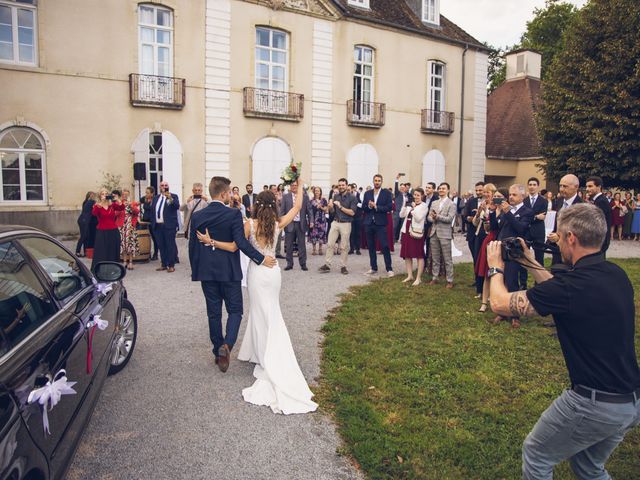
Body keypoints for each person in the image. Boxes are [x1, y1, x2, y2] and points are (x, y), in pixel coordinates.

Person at [486, 203, 640, 480]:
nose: (556, 240)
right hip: (630, 401)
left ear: (571, 238)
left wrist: (496, 269)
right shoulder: (616, 275)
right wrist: (529, 261)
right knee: (589, 468)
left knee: (537, 454)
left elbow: (499, 303)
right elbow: (560, 293)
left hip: (593, 402)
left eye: (558, 235)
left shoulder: (570, 287)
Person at [198, 182, 318, 414]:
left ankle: (262, 354)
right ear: (274, 206)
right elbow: (299, 205)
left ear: (256, 206)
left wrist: (211, 242)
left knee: (258, 311)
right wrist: (300, 184)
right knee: (271, 311)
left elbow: (234, 247)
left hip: (257, 273)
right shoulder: (278, 223)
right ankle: (259, 352)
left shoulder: (249, 225)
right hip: (272, 273)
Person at [189, 176, 276, 373]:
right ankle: (227, 345)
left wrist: (196, 271)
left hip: (207, 273)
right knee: (235, 310)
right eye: (229, 192)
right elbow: (241, 243)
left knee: (214, 313)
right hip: (229, 271)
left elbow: (192, 247)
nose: (231, 195)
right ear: (223, 194)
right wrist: (261, 259)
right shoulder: (233, 214)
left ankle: (216, 351)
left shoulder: (198, 216)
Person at [492, 184, 533, 328]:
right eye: (510, 194)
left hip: (514, 251)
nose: (511, 197)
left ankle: (515, 314)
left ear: (522, 196)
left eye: (514, 195)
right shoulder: (505, 210)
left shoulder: (527, 211)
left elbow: (520, 229)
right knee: (501, 279)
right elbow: (498, 227)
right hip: (502, 248)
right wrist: (496, 213)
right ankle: (503, 311)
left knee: (512, 280)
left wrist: (508, 212)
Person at [474, 188, 506, 313]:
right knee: (488, 273)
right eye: (496, 196)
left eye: (500, 196)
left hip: (501, 241)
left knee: (500, 274)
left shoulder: (507, 211)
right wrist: (491, 212)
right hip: (490, 240)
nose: (497, 198)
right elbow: (491, 227)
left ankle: (498, 300)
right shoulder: (493, 210)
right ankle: (483, 302)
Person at [319, 179, 357, 275]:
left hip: (346, 223)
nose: (341, 187)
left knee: (344, 247)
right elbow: (332, 212)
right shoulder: (335, 196)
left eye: (343, 185)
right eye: (339, 185)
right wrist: (330, 207)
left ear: (347, 185)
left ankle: (343, 266)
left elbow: (352, 212)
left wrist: (340, 207)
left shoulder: (352, 197)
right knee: (330, 244)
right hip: (335, 222)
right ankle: (327, 265)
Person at [362, 174, 394, 277]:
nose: (377, 182)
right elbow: (363, 207)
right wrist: (369, 206)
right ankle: (373, 267)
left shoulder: (387, 193)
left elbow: (389, 207)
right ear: (373, 181)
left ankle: (389, 268)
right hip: (369, 223)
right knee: (371, 246)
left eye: (379, 180)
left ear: (381, 182)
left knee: (385, 246)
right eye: (375, 180)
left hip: (381, 223)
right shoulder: (367, 193)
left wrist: (377, 207)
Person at [548, 174, 583, 266]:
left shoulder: (581, 206)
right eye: (560, 186)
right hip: (557, 248)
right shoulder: (559, 201)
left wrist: (560, 237)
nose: (562, 189)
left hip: (572, 251)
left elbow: (579, 230)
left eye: (565, 186)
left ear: (576, 187)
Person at [520, 177, 549, 289]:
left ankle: (540, 283)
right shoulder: (524, 201)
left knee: (539, 258)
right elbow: (524, 216)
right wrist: (536, 216)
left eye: (534, 184)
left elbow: (543, 216)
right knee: (523, 258)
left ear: (538, 186)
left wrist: (531, 217)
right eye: (530, 184)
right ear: (528, 186)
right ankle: (523, 283)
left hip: (538, 232)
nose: (532, 186)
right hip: (526, 231)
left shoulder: (543, 201)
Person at [426, 182, 456, 288]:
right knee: (435, 257)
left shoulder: (451, 204)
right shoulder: (434, 203)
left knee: (447, 259)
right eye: (440, 188)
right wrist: (432, 218)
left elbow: (449, 219)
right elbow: (429, 217)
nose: (441, 190)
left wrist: (437, 217)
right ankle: (435, 277)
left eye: (443, 188)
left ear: (448, 190)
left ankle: (450, 280)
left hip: (445, 234)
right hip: (434, 232)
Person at [280, 180, 312, 271]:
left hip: (301, 223)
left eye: (296, 185)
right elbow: (282, 211)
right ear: (290, 186)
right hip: (289, 223)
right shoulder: (285, 197)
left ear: (298, 186)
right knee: (288, 245)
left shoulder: (304, 197)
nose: (294, 187)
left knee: (302, 245)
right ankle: (289, 264)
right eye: (292, 185)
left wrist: (311, 221)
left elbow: (309, 210)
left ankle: (303, 264)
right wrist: (281, 222)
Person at [399, 188, 427, 286]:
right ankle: (410, 275)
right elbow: (401, 215)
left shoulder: (424, 206)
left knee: (419, 254)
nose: (416, 197)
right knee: (407, 254)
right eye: (415, 195)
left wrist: (414, 209)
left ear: (422, 196)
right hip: (406, 231)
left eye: (418, 195)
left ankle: (418, 278)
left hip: (416, 232)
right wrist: (404, 204)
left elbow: (419, 218)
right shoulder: (410, 204)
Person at [91, 189, 125, 270]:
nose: (105, 195)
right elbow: (94, 213)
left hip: (113, 230)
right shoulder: (97, 205)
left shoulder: (112, 205)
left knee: (112, 250)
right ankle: (100, 269)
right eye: (103, 194)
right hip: (102, 231)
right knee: (101, 251)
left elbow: (121, 207)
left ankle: (113, 268)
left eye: (106, 193)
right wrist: (102, 203)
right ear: (100, 196)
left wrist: (118, 199)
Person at [471, 183, 495, 297]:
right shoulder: (482, 204)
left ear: (493, 194)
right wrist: (477, 213)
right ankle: (479, 290)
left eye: (487, 192)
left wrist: (486, 211)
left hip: (489, 236)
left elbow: (491, 222)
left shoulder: (494, 206)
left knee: (488, 264)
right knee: (478, 261)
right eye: (484, 192)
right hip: (479, 235)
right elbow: (475, 223)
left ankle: (490, 291)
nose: (485, 194)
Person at [151, 180, 180, 273]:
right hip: (158, 226)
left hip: (169, 225)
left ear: (168, 186)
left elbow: (176, 206)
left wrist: (170, 198)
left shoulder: (173, 196)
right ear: (159, 187)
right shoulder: (156, 198)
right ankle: (163, 264)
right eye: (162, 185)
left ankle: (171, 265)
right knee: (161, 245)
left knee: (170, 245)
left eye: (165, 185)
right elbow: (153, 210)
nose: (164, 186)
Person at [464, 182, 486, 283]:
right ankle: (477, 279)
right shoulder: (470, 201)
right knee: (475, 257)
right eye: (476, 190)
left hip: (485, 234)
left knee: (484, 258)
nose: (478, 192)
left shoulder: (489, 202)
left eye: (480, 190)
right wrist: (470, 218)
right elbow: (465, 215)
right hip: (472, 234)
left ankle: (484, 279)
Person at [585, 176, 612, 255]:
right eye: (586, 186)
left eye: (590, 186)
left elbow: (598, 223)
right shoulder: (597, 200)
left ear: (599, 187)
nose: (587, 189)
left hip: (599, 240)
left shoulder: (601, 201)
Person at [119, 188, 140, 270]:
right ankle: (124, 261)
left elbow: (137, 212)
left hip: (130, 226)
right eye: (124, 195)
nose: (125, 196)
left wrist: (131, 205)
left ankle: (131, 262)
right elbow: (116, 213)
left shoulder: (132, 203)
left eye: (127, 195)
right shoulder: (119, 203)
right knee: (123, 244)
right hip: (121, 226)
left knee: (130, 244)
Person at [139, 186, 158, 260]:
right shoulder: (144, 198)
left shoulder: (155, 199)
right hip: (145, 221)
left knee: (154, 238)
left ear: (152, 193)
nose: (146, 194)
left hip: (152, 221)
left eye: (147, 193)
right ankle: (147, 252)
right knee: (146, 237)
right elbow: (138, 203)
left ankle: (155, 253)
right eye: (146, 192)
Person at [75, 191, 95, 257]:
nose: (94, 197)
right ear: (90, 196)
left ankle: (85, 252)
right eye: (93, 195)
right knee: (84, 236)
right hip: (84, 221)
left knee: (86, 236)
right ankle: (77, 252)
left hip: (82, 220)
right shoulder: (91, 202)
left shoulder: (85, 202)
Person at [309, 187, 328, 256]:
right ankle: (314, 249)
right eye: (315, 191)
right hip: (313, 220)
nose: (317, 192)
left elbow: (326, 210)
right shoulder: (311, 200)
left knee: (321, 234)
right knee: (313, 234)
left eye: (318, 191)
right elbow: (309, 211)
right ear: (314, 192)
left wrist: (321, 207)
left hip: (322, 220)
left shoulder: (324, 200)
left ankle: (320, 249)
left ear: (320, 192)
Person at [393, 174, 409, 242]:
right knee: (395, 226)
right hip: (397, 212)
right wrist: (397, 179)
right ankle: (392, 239)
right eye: (401, 188)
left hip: (403, 213)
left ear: (405, 189)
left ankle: (399, 239)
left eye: (403, 188)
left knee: (401, 226)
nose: (402, 188)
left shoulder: (406, 196)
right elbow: (396, 188)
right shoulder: (397, 193)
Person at [348, 183, 362, 255]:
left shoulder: (360, 195)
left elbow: (363, 205)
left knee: (358, 233)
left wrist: (356, 203)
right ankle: (351, 248)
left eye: (350, 189)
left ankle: (358, 249)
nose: (350, 191)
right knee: (351, 233)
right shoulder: (348, 196)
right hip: (350, 217)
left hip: (359, 216)